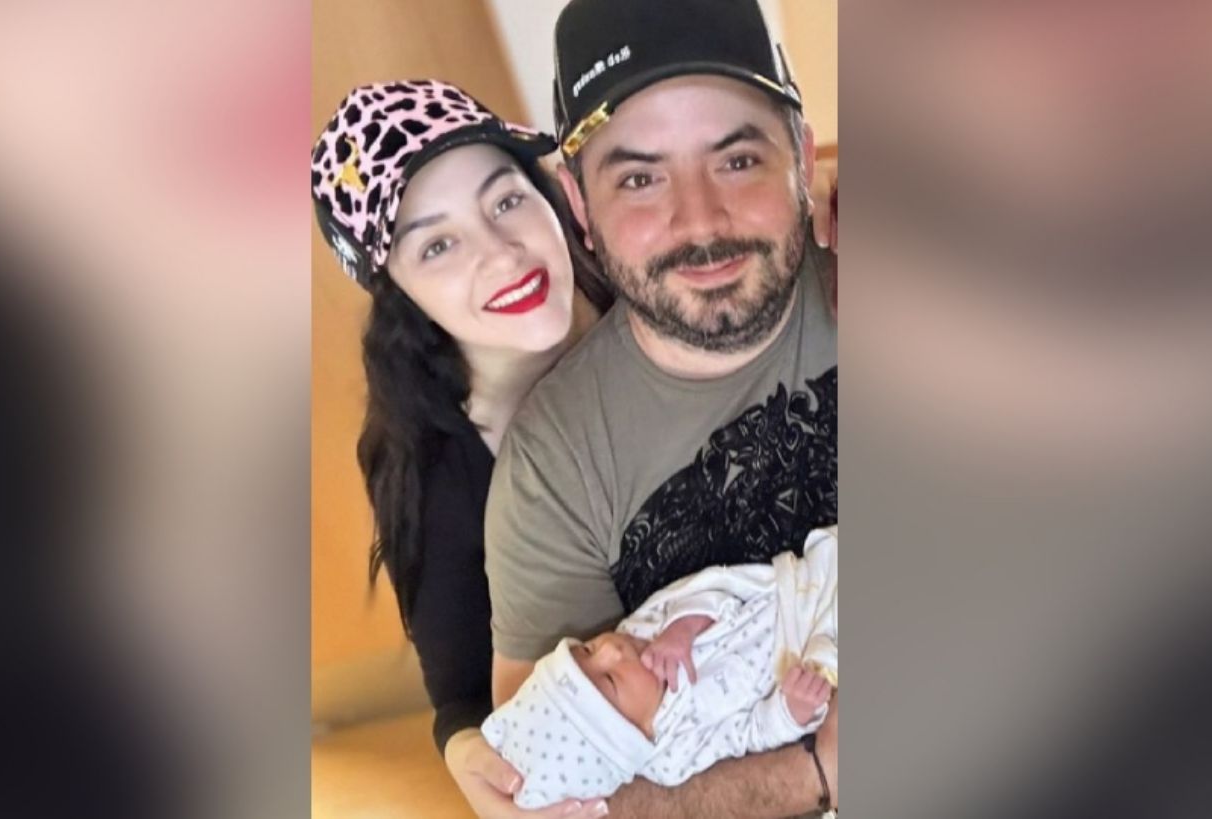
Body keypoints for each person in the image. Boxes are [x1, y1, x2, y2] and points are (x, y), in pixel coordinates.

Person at [313, 72, 837, 817]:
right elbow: (466, 697)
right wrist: (471, 752)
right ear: (396, 290)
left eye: (505, 201)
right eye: (437, 245)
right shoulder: (442, 472)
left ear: (557, 196)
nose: (502, 254)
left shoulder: (661, 280)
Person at [479, 0, 839, 815]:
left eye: (738, 160)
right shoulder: (556, 471)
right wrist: (816, 774)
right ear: (579, 205)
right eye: (639, 178)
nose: (699, 222)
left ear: (800, 154)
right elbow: (550, 796)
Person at [482, 529, 838, 810]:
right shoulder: (674, 755)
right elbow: (746, 735)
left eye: (587, 649)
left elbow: (712, 589)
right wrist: (792, 711)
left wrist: (683, 627)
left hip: (796, 590)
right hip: (805, 649)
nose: (611, 649)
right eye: (610, 679)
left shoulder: (644, 631)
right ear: (632, 735)